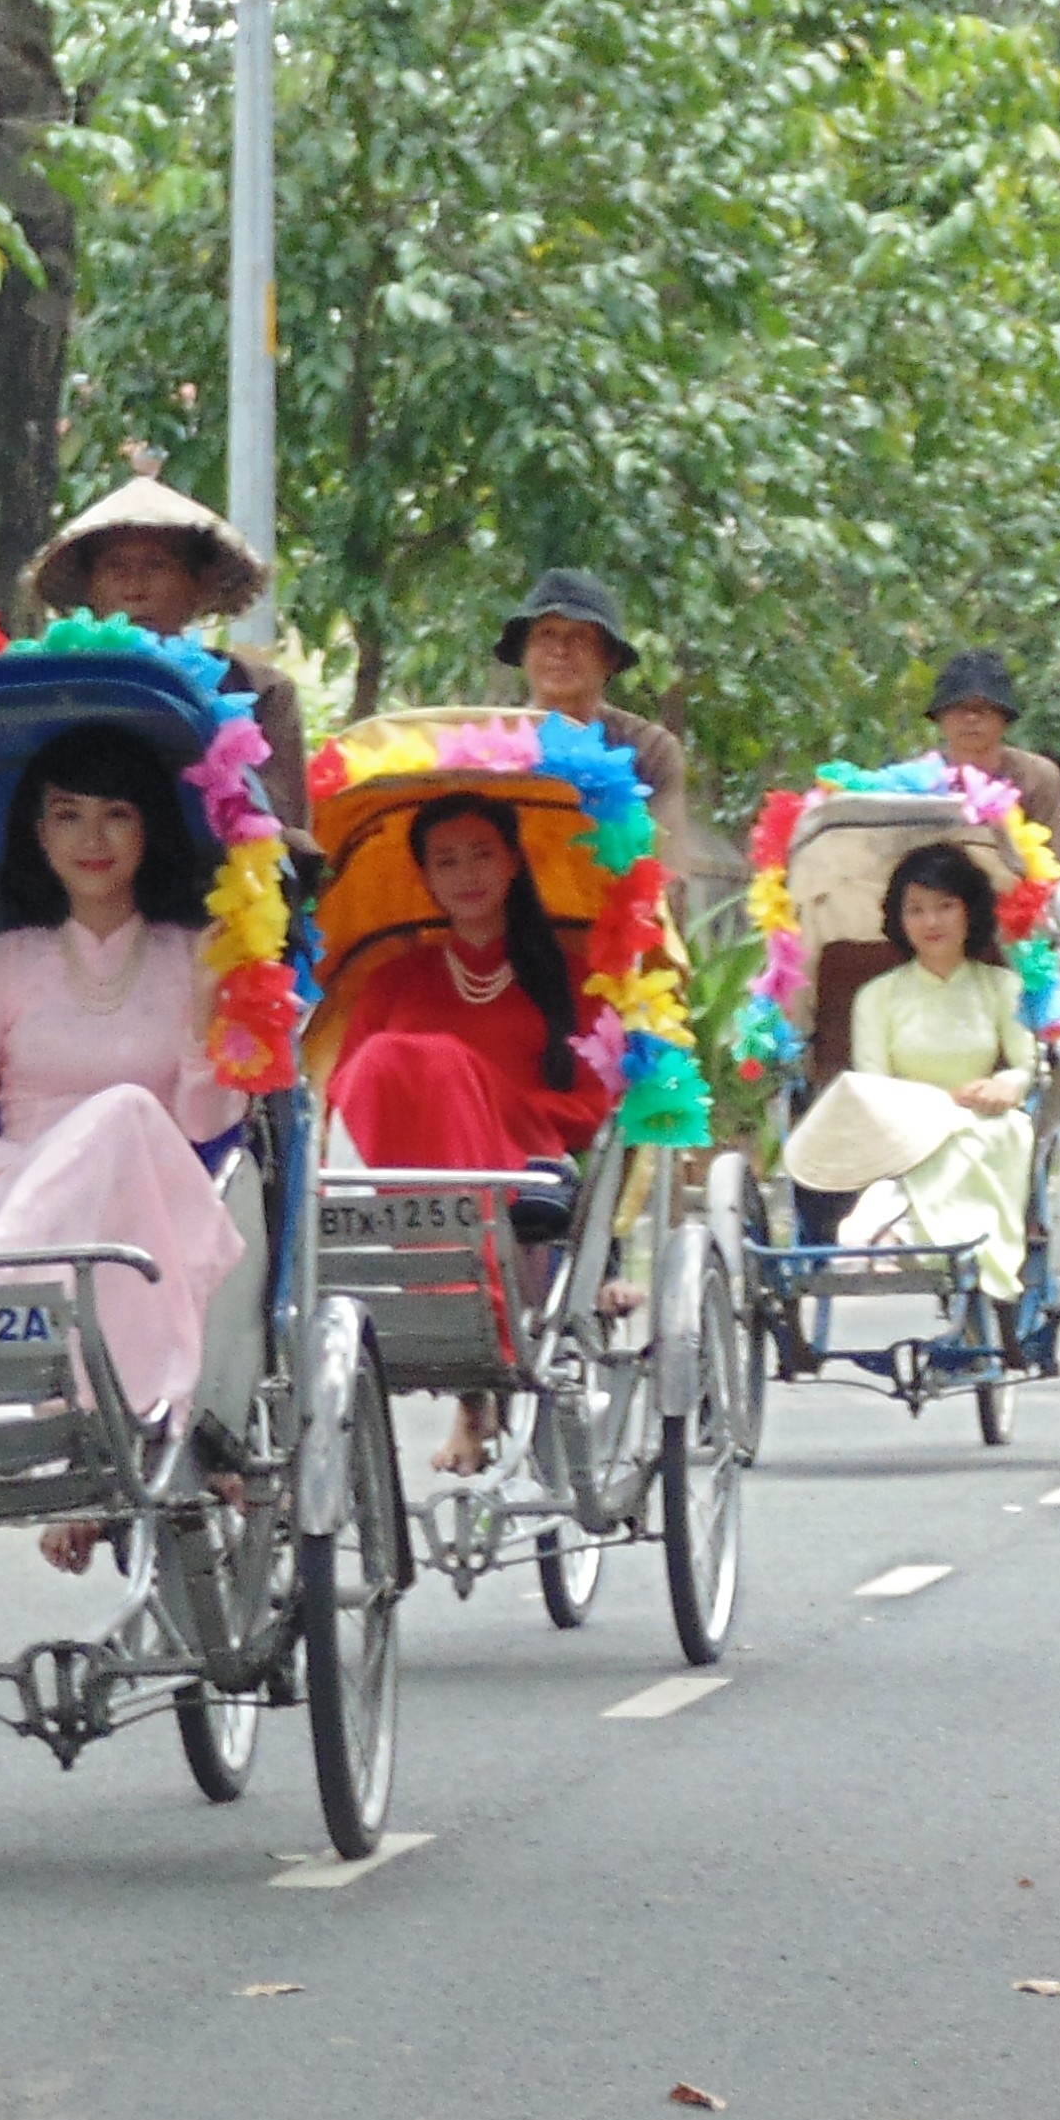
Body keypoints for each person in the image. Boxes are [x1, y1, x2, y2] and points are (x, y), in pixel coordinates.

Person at [0, 721, 250, 1546]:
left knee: (126, 1114)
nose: (91, 838)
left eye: (116, 814)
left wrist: (203, 1007)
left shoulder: (198, 953)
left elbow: (203, 1126)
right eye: (67, 814)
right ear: (38, 833)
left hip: (162, 1204)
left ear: (149, 829)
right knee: (110, 1123)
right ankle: (88, 1431)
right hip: (12, 1208)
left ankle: (21, 1387)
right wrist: (63, 1174)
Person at [326, 791, 619, 1471]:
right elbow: (350, 1090)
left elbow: (595, 1104)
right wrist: (440, 1091)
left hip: (526, 1171)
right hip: (410, 1180)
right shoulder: (395, 981)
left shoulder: (573, 981)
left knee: (431, 1058)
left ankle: (473, 1395)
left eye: (482, 854)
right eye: (446, 861)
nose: (467, 875)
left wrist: (488, 1100)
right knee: (397, 1058)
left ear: (514, 861)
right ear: (426, 878)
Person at [780, 839, 1041, 1296]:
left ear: (970, 912)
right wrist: (934, 1110)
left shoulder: (1004, 987)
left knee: (980, 1136)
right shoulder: (877, 996)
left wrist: (1006, 1085)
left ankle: (899, 1234)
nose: (931, 922)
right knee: (936, 1143)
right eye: (916, 909)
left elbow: (1026, 1064)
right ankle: (900, 1233)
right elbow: (872, 1086)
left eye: (945, 906)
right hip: (899, 1130)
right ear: (899, 919)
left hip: (987, 1125)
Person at [29, 473, 314, 858]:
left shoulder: (259, 688)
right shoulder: (46, 682)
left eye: (157, 565)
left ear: (199, 585)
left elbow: (282, 821)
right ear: (90, 587)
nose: (135, 587)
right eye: (117, 568)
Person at [495, 571, 691, 831]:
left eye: (580, 638)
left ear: (610, 658)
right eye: (546, 634)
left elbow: (667, 863)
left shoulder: (651, 750)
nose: (560, 650)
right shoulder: (489, 742)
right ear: (523, 653)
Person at [925, 648, 1060, 849]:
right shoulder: (918, 779)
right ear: (940, 718)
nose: (971, 718)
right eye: (959, 708)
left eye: (984, 709)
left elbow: (1048, 859)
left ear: (1005, 718)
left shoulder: (1037, 777)